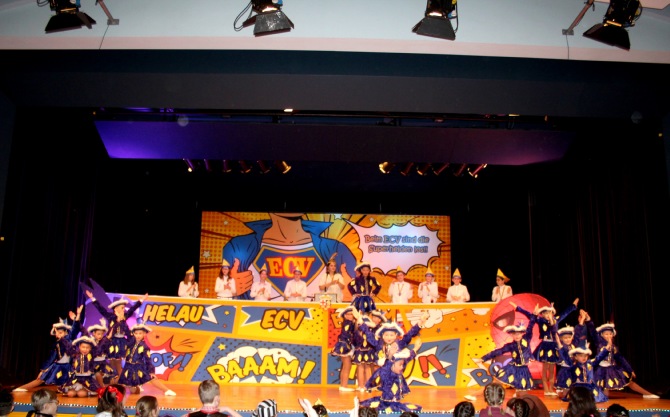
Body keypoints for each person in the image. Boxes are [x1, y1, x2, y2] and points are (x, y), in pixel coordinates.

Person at [220, 213, 357, 299]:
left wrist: (349, 294)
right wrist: (232, 290)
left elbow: (357, 292)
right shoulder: (237, 247)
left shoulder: (337, 250)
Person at [515, 298, 578, 396]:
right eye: (545, 313)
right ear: (542, 314)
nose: (547, 315)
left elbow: (565, 313)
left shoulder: (556, 320)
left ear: (552, 313)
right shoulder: (540, 320)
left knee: (552, 369)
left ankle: (551, 389)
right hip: (545, 345)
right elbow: (530, 315)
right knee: (545, 368)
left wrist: (573, 306)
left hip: (554, 345)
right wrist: (518, 308)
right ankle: (546, 389)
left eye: (549, 313)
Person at [14, 306, 82, 392]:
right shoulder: (57, 344)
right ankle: (18, 389)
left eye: (60, 333)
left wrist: (77, 316)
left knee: (66, 385)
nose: (58, 335)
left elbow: (75, 329)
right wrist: (43, 370)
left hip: (67, 368)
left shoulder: (69, 339)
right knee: (40, 379)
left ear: (66, 332)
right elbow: (52, 357)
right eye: (56, 333)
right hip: (57, 366)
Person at [86, 289, 148, 378]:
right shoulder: (111, 317)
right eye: (122, 308)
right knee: (112, 362)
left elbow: (132, 309)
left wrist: (141, 300)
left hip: (121, 342)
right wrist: (92, 298)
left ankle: (122, 379)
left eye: (124, 308)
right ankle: (114, 378)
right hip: (112, 341)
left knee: (118, 362)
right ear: (116, 308)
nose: (124, 309)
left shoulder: (125, 317)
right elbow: (101, 309)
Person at [589, 322, 659, 399]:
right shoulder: (599, 343)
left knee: (629, 382)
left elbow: (621, 358)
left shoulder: (614, 347)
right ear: (602, 335)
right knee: (603, 386)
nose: (609, 336)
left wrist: (630, 369)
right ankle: (601, 400)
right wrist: (589, 321)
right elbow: (593, 332)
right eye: (606, 334)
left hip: (612, 368)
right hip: (601, 369)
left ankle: (647, 394)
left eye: (610, 334)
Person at [480, 302, 536, 396]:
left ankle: (517, 396)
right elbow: (498, 351)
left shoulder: (527, 339)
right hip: (512, 368)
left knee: (523, 393)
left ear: (522, 333)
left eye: (518, 334)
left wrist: (532, 314)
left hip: (523, 370)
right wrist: (484, 358)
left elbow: (531, 324)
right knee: (497, 381)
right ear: (512, 335)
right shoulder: (511, 345)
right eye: (514, 334)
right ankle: (479, 394)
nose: (517, 336)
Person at [359, 341, 424, 413]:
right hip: (385, 404)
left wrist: (416, 348)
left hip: (396, 402)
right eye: (400, 365)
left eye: (402, 365)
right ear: (392, 364)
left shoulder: (398, 369)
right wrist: (390, 355)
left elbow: (409, 358)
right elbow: (385, 365)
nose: (402, 367)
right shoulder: (386, 372)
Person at [117, 321, 176, 396]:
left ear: (144, 334)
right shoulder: (131, 343)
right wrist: (121, 321)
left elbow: (148, 359)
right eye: (136, 333)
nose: (138, 335)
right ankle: (138, 386)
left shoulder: (144, 346)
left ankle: (166, 390)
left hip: (138, 367)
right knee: (132, 390)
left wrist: (151, 371)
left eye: (140, 333)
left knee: (151, 378)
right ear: (133, 334)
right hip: (128, 367)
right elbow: (127, 333)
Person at [331, 306, 356, 392]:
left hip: (345, 344)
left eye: (351, 314)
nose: (350, 316)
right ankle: (344, 386)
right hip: (345, 345)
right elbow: (346, 335)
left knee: (345, 366)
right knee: (347, 366)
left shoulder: (348, 322)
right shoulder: (348, 323)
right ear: (344, 315)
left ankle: (343, 385)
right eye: (348, 314)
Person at [87, 317, 118, 388]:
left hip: (103, 363)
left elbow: (107, 350)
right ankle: (102, 387)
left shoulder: (104, 341)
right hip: (94, 364)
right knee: (97, 375)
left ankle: (109, 388)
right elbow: (97, 350)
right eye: (98, 334)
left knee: (114, 377)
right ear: (93, 333)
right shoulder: (91, 343)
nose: (100, 336)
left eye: (101, 334)